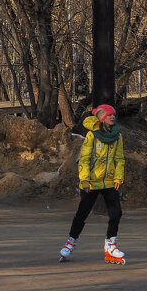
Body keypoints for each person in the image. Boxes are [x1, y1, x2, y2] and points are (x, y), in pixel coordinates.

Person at [58, 104, 126, 264]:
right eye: (109, 115)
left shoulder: (117, 136)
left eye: (114, 115)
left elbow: (119, 159)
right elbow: (84, 159)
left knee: (116, 213)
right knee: (82, 213)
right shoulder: (92, 136)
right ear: (102, 117)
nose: (113, 117)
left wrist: (118, 178)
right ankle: (70, 242)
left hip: (109, 181)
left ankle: (111, 244)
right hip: (91, 182)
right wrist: (85, 179)